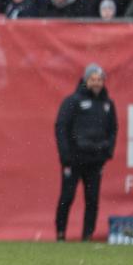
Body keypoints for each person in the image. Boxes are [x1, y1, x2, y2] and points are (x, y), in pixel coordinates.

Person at [54, 64, 117, 242]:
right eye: (93, 79)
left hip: (95, 161)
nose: (96, 83)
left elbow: (113, 129)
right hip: (73, 159)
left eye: (99, 80)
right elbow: (61, 127)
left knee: (92, 199)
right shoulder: (72, 101)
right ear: (86, 80)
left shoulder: (107, 104)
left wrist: (107, 152)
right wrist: (65, 155)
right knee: (67, 197)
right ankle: (60, 234)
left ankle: (87, 236)